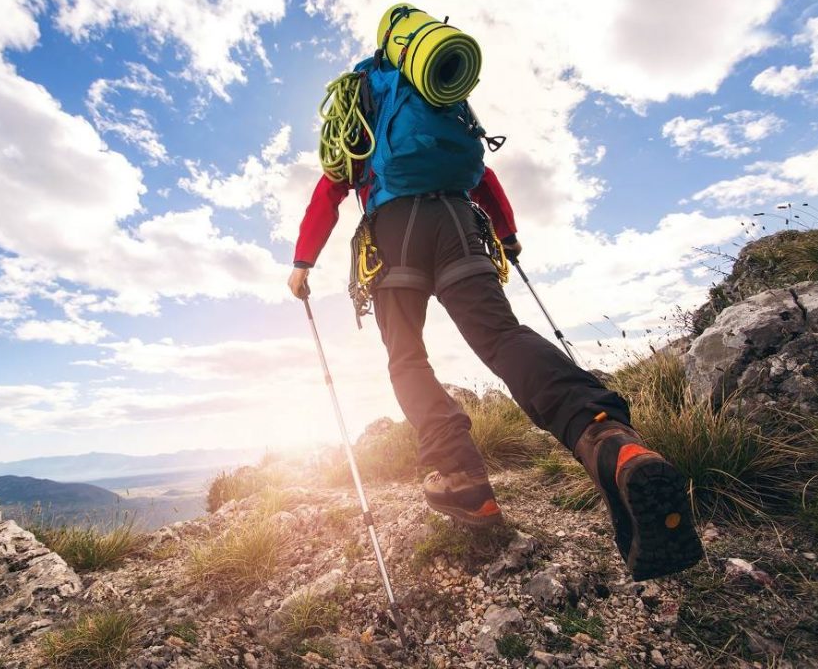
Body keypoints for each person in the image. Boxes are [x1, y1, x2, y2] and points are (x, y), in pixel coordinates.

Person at [287, 166, 703, 581]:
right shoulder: (441, 102)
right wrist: (506, 234)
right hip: (457, 219)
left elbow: (330, 188)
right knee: (502, 336)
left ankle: (460, 476)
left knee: (406, 357)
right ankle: (609, 439)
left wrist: (303, 261)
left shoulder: (358, 112)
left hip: (393, 230)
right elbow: (479, 173)